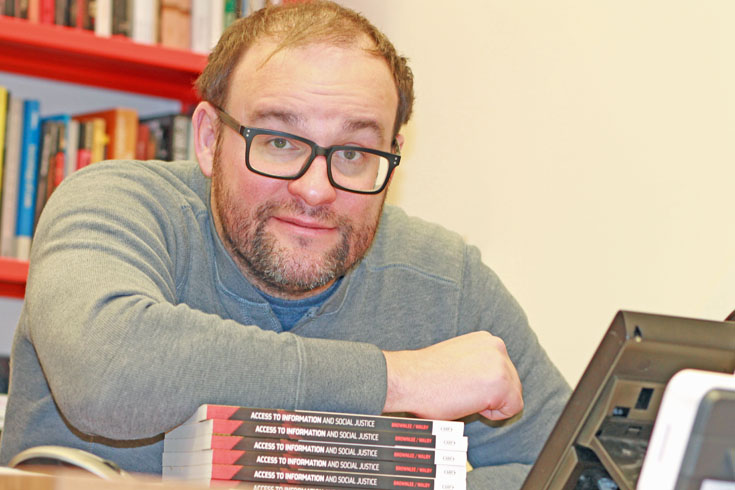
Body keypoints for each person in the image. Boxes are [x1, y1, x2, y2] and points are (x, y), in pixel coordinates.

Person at [0, 2, 570, 489]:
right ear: (207, 139)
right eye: (277, 141)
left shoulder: (445, 279)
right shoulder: (117, 205)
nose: (315, 189)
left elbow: (577, 471)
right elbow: (108, 372)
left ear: (393, 157)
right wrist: (400, 379)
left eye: (353, 153)